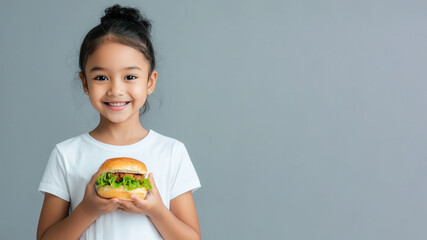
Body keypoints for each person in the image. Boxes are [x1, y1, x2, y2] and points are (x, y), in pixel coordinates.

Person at [36, 4, 201, 240]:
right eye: (101, 77)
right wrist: (87, 210)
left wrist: (156, 210)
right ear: (85, 83)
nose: (116, 89)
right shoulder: (66, 154)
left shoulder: (172, 152)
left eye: (130, 77)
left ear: (150, 82)